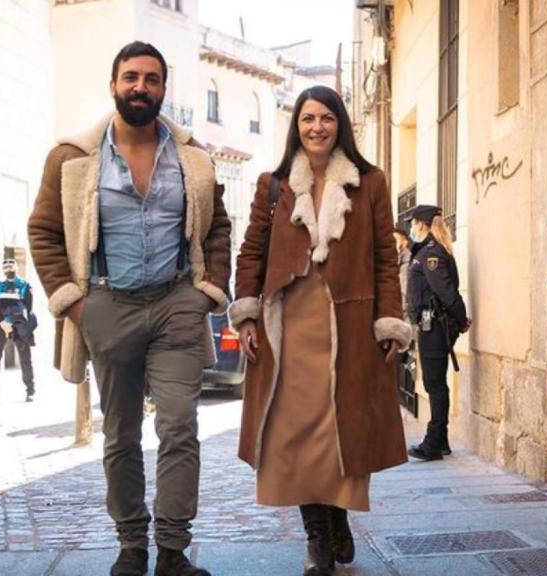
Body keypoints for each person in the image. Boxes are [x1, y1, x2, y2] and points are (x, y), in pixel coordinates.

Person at [29, 41, 230, 576]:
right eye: (131, 77)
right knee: (120, 432)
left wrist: (207, 294)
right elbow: (44, 232)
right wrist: (75, 306)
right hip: (106, 304)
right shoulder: (72, 157)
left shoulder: (193, 157)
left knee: (180, 426)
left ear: (163, 89)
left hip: (175, 306)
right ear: (113, 84)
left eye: (151, 79)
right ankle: (131, 545)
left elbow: (218, 227)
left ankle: (171, 550)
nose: (140, 87)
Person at [230, 85, 411, 576]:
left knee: (338, 432)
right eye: (308, 118)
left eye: (326, 118)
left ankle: (337, 520)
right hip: (286, 328)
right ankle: (318, 539)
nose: (317, 127)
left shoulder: (369, 182)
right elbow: (250, 253)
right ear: (297, 126)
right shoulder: (273, 184)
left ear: (340, 124)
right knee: (296, 435)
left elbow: (383, 260)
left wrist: (388, 320)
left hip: (347, 327)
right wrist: (247, 313)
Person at [404, 205, 470, 462]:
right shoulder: (428, 251)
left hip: (435, 326)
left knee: (434, 384)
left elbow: (445, 291)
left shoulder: (431, 253)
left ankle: (433, 442)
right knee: (436, 383)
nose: (411, 229)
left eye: (413, 224)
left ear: (422, 225)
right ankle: (440, 440)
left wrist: (461, 319)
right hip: (432, 325)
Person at [0, 258, 37, 401]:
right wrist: (2, 321)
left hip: (19, 325)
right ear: (3, 271)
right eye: (5, 268)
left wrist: (19, 324)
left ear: (16, 268)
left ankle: (30, 390)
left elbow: (28, 308)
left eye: (11, 267)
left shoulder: (24, 285)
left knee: (25, 358)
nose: (8, 270)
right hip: (1, 325)